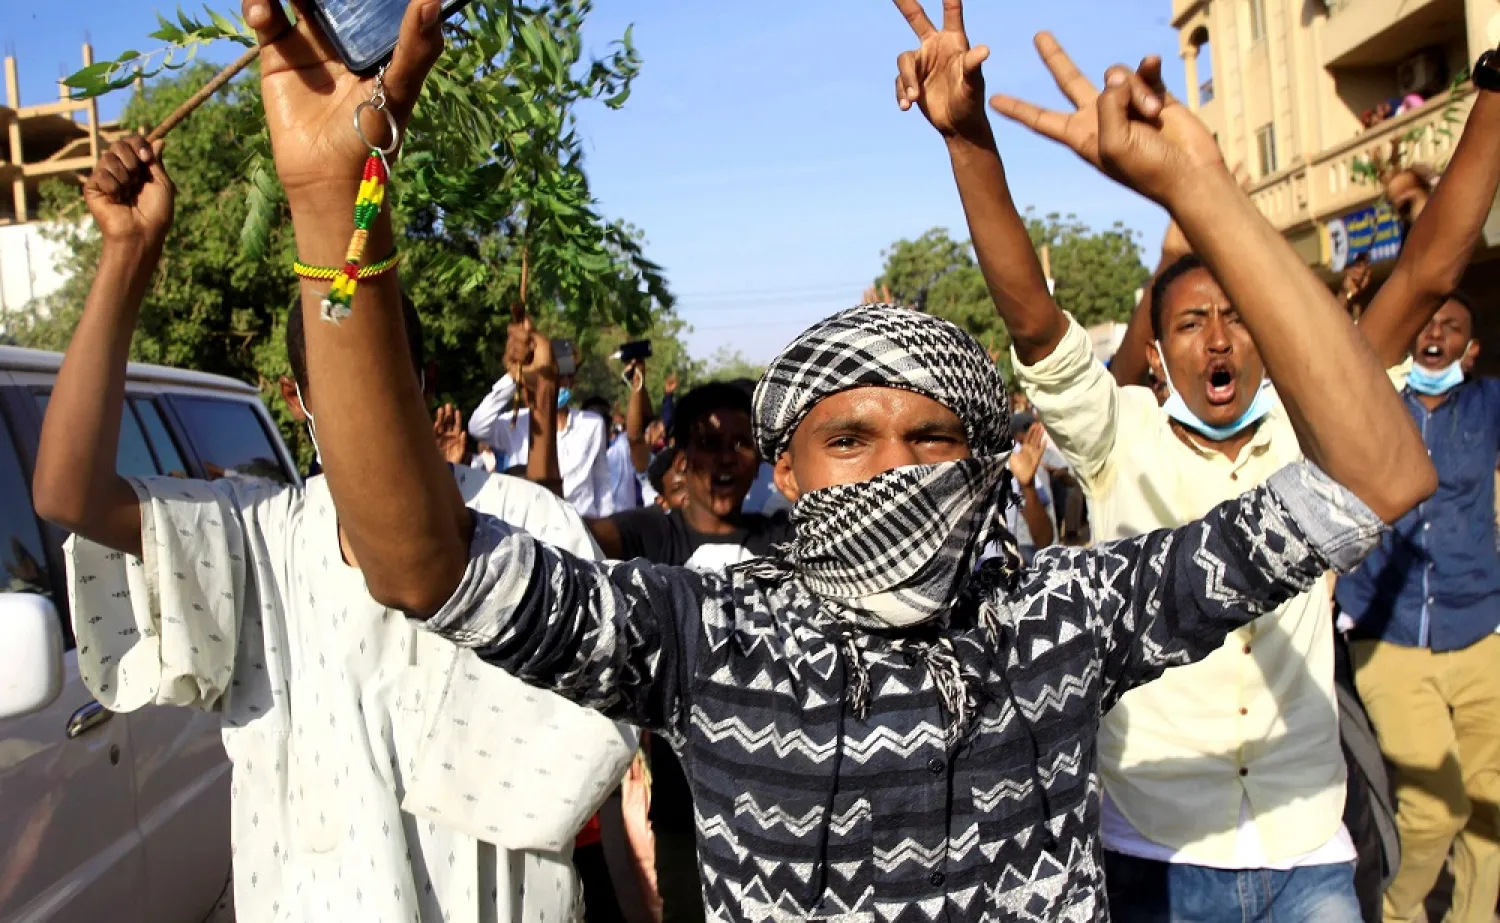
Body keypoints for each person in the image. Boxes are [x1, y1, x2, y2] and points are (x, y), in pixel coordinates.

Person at [270, 7, 1434, 922]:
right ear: (790, 466)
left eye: (931, 436)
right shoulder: (709, 634)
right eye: (850, 437)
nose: (893, 468)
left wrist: (1201, 190)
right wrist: (340, 202)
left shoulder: (1062, 613)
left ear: (983, 461)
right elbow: (420, 561)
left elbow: (1375, 472)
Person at [895, 5, 1443, 918]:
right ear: (1157, 351)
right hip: (1155, 845)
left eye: (1239, 317)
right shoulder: (1120, 436)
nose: (1219, 338)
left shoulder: (1316, 440)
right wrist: (968, 143)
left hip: (1308, 840)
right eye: (1191, 321)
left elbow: (1424, 275)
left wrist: (1200, 183)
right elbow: (1034, 319)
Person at [28, 129, 637, 921]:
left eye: (375, 375)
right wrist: (127, 255)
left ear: (414, 379)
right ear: (295, 396)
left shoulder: (523, 518)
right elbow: (69, 493)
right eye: (331, 381)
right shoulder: (255, 540)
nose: (356, 406)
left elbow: (600, 724)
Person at [469, 347, 615, 518]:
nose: (557, 384)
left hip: (583, 525)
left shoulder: (591, 425)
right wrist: (514, 376)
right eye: (550, 377)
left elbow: (601, 481)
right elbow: (477, 426)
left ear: (572, 381)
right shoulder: (516, 423)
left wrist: (606, 526)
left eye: (563, 377)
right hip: (534, 526)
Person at [586, 393, 642, 512]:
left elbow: (635, 435)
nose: (599, 424)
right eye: (593, 418)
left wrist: (637, 385)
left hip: (625, 527)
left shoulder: (622, 448)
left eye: (605, 418)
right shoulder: (573, 455)